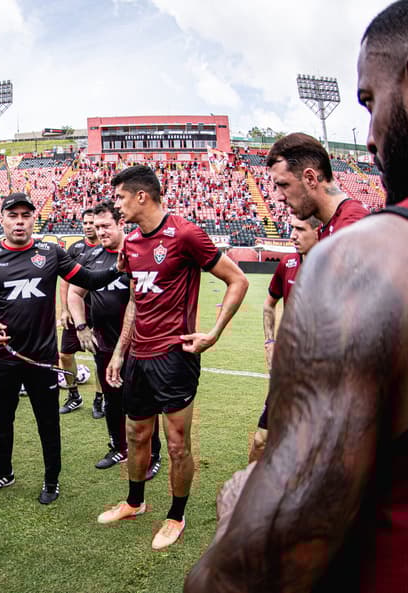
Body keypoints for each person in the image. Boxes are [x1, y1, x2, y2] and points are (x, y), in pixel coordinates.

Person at [185, 1, 408, 590]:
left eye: (368, 101)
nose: (367, 133)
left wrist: (238, 509)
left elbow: (250, 575)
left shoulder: (369, 258)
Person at [98, 165, 248, 551]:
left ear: (141, 196)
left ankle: (176, 515)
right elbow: (135, 299)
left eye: (120, 198)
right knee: (135, 434)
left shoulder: (185, 234)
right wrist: (119, 352)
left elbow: (238, 279)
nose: (117, 206)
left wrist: (212, 334)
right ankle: (135, 502)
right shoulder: (130, 242)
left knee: (177, 443)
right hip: (138, 358)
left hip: (174, 357)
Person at [0, 192, 122, 504]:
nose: (19, 222)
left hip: (43, 361)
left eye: (26, 215)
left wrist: (120, 267)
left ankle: (52, 480)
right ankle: (3, 472)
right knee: (2, 422)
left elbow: (89, 279)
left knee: (48, 424)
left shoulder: (51, 252)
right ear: (2, 219)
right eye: (13, 215)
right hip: (2, 360)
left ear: (34, 218)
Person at [67, 201, 162, 474]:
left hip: (139, 346)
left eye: (106, 226)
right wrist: (82, 326)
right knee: (112, 400)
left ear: (121, 223)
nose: (100, 231)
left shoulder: (137, 252)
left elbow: (140, 300)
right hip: (104, 344)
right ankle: (118, 447)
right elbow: (75, 293)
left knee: (143, 403)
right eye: (96, 227)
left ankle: (153, 454)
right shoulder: (91, 257)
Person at [250, 214, 319, 462]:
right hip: (288, 367)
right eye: (292, 228)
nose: (292, 235)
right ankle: (249, 493)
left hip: (322, 371)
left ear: (319, 232)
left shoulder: (337, 268)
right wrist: (270, 342)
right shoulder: (287, 263)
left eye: (300, 229)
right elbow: (269, 305)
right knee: (261, 440)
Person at [267, 133, 369, 239]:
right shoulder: (330, 228)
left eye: (284, 185)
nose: (279, 197)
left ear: (310, 179)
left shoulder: (352, 229)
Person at [57, 208, 101, 416]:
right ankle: (74, 395)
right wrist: (65, 309)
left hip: (102, 311)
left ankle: (100, 399)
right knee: (65, 354)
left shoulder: (108, 246)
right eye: (85, 222)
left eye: (92, 222)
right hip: (76, 311)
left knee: (102, 356)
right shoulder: (75, 249)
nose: (88, 226)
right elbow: (65, 281)